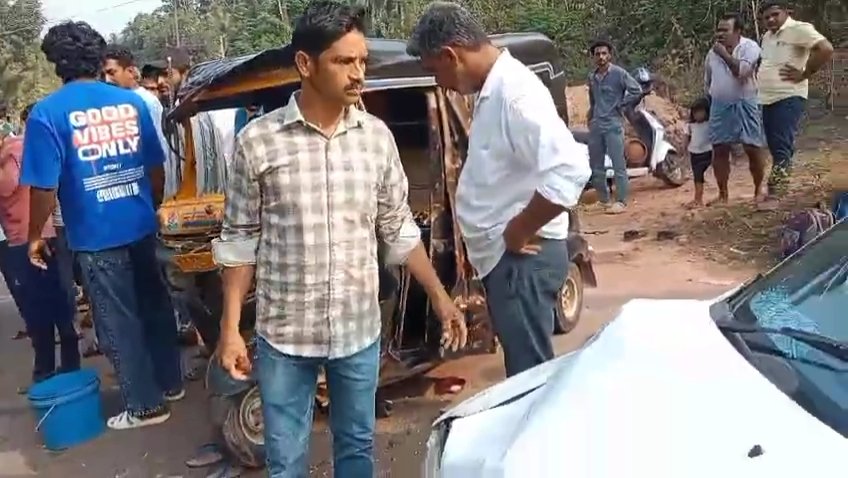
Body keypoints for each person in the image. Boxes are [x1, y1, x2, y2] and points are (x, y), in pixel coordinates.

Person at [213, 2, 468, 475]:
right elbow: (239, 240)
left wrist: (440, 297)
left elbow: (397, 227)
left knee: (356, 449)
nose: (358, 74)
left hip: (357, 332)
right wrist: (230, 330)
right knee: (285, 459)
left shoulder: (376, 139)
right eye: (343, 61)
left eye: (362, 61)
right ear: (305, 64)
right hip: (286, 337)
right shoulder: (259, 142)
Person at [406, 2, 591, 377]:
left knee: (528, 376)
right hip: (508, 262)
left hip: (522, 261)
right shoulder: (494, 89)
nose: (438, 82)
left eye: (434, 70)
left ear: (451, 55)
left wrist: (520, 228)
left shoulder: (514, 95)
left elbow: (570, 169)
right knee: (523, 368)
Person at [20, 21, 183, 430]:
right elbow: (156, 167)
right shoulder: (129, 103)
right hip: (140, 223)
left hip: (95, 236)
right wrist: (150, 205)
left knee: (118, 320)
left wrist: (36, 234)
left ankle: (145, 406)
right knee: (156, 305)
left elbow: (43, 187)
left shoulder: (47, 113)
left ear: (56, 63)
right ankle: (170, 383)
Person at [0, 103, 80, 388]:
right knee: (48, 302)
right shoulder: (17, 148)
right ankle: (56, 368)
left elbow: (10, 185)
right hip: (30, 234)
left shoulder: (15, 149)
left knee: (44, 304)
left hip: (32, 236)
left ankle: (52, 370)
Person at [757, 1, 833, 210]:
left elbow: (825, 49)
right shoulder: (767, 36)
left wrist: (806, 73)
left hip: (788, 96)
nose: (771, 19)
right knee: (775, 144)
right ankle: (776, 188)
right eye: (766, 17)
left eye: (775, 14)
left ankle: (776, 193)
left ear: (786, 12)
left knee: (781, 145)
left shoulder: (798, 29)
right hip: (768, 98)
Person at [703, 13, 768, 205]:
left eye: (725, 30)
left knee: (752, 147)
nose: (720, 34)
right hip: (720, 105)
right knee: (719, 149)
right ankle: (723, 195)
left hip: (745, 102)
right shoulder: (712, 53)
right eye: (718, 30)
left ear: (738, 31)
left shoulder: (750, 47)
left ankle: (758, 190)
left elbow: (741, 72)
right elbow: (708, 80)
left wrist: (723, 53)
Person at [586, 39, 642, 214]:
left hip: (613, 123)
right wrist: (590, 116)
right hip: (597, 123)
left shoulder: (619, 73)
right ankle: (603, 199)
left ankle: (621, 201)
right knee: (596, 165)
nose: (601, 57)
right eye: (597, 54)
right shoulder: (592, 77)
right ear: (593, 57)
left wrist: (622, 104)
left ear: (609, 55)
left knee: (618, 164)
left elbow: (636, 90)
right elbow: (593, 99)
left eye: (604, 53)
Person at [103, 46, 170, 172]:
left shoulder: (146, 101)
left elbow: (155, 146)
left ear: (130, 71)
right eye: (103, 74)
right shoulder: (114, 101)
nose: (107, 79)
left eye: (112, 73)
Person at [683, 97, 713, 207]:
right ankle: (698, 199)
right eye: (696, 112)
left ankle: (719, 193)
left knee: (704, 173)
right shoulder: (690, 125)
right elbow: (686, 137)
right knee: (697, 176)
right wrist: (684, 149)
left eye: (701, 111)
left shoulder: (710, 123)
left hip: (708, 152)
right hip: (694, 153)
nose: (698, 115)